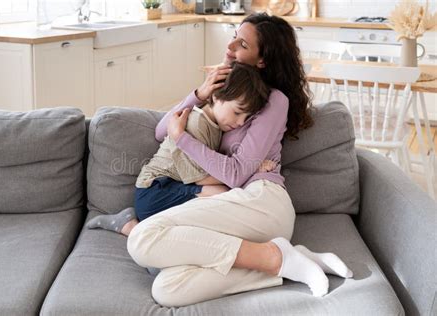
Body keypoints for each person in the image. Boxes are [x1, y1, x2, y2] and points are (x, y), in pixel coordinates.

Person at [125, 13, 353, 307]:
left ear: (262, 60)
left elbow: (234, 175)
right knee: (167, 289)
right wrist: (198, 94)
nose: (230, 45)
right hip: (236, 207)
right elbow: (162, 132)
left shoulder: (274, 100)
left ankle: (278, 257)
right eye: (234, 34)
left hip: (262, 202)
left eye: (242, 43)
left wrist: (183, 139)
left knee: (143, 238)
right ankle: (284, 260)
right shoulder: (225, 89)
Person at [86, 62, 271, 236]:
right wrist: (250, 168)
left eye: (246, 118)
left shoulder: (214, 125)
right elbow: (199, 176)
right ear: (216, 96)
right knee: (220, 192)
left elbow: (214, 166)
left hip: (172, 187)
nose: (240, 122)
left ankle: (134, 227)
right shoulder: (197, 123)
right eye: (237, 112)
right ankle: (132, 228)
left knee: (216, 197)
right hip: (154, 191)